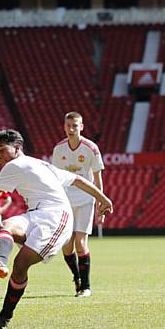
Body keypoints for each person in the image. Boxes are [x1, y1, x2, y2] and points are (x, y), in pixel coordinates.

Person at [0, 129, 112, 329]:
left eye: (1, 150)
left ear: (17, 148)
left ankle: (3, 318)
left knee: (21, 263)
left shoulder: (15, 165)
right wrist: (103, 198)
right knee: (4, 226)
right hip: (36, 214)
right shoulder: (41, 164)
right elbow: (77, 180)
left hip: (56, 217)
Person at [52, 111, 105, 297]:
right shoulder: (59, 149)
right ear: (64, 127)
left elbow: (98, 178)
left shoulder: (91, 148)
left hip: (85, 200)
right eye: (68, 125)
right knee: (67, 246)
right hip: (65, 201)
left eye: (75, 126)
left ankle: (86, 287)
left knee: (81, 243)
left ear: (81, 127)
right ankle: (77, 278)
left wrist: (101, 202)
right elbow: (55, 179)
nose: (71, 129)